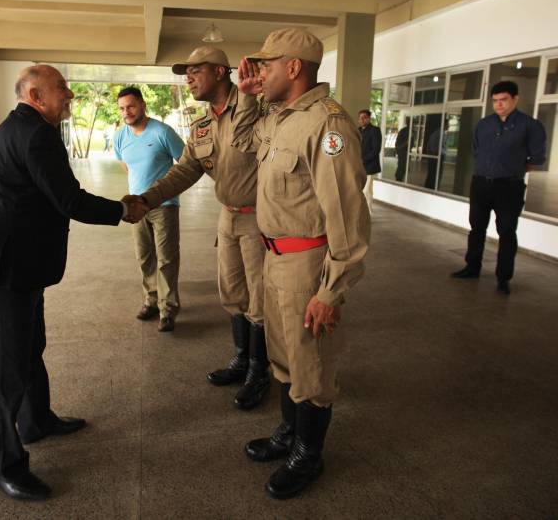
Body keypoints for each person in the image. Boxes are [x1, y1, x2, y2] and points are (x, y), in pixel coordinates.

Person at [0, 64, 147, 502]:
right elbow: (68, 199)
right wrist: (122, 210)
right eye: (61, 88)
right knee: (7, 368)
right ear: (36, 96)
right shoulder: (36, 135)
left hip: (12, 264)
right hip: (3, 270)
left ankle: (36, 420)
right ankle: (2, 465)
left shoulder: (16, 127)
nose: (69, 95)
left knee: (29, 346)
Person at [231, 27, 370, 499]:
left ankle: (307, 456)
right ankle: (289, 435)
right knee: (284, 359)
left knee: (311, 367)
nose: (259, 72)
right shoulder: (279, 118)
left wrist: (331, 290)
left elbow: (348, 216)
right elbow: (242, 140)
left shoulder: (328, 125)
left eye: (266, 65)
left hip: (307, 265)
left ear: (293, 67)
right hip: (274, 259)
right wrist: (247, 96)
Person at [127, 46, 270, 410]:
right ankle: (242, 359)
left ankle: (260, 371)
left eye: (195, 70)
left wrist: (251, 97)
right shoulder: (203, 125)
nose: (188, 78)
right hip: (229, 216)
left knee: (260, 300)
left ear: (220, 72)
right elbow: (185, 170)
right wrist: (146, 199)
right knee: (233, 293)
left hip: (259, 218)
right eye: (186, 73)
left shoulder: (257, 108)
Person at [451, 80, 546, 294]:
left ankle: (503, 278)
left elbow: (536, 158)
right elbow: (476, 151)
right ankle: (472, 267)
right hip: (481, 183)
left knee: (507, 232)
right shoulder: (484, 124)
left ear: (515, 99)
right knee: (476, 228)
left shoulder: (530, 126)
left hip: (509, 186)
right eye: (495, 101)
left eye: (503, 100)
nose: (499, 104)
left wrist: (512, 168)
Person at [115, 87, 185, 332]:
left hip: (164, 205)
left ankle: (168, 309)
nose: (126, 112)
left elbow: (185, 163)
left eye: (131, 106)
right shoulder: (120, 136)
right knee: (144, 256)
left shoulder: (162, 132)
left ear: (143, 105)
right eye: (122, 108)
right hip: (136, 208)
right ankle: (151, 301)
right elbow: (126, 165)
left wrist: (162, 187)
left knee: (166, 258)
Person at [358, 109, 382, 212]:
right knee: (367, 190)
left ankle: (366, 212)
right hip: (359, 165)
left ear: (369, 119)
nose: (362, 120)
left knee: (366, 190)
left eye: (364, 117)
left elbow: (376, 150)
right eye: (360, 118)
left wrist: (363, 160)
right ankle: (368, 210)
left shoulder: (375, 130)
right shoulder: (358, 130)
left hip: (370, 165)